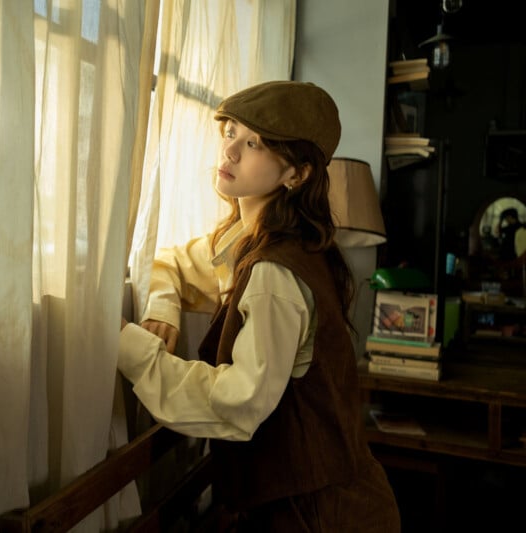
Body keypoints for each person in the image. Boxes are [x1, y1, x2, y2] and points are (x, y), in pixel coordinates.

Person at [119, 80, 400, 531]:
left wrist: (127, 348)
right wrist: (162, 311)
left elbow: (239, 402)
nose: (229, 152)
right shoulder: (253, 241)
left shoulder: (277, 271)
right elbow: (169, 262)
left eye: (254, 144)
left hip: (322, 517)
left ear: (297, 174)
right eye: (230, 132)